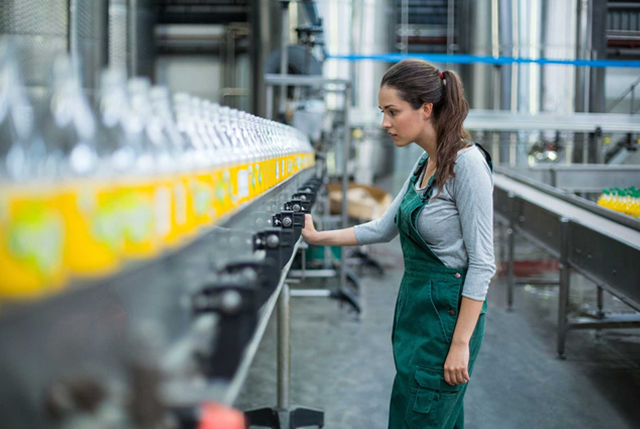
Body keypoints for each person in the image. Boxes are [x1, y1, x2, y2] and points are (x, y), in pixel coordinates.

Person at [301, 59, 495, 429]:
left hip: (447, 321)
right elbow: (383, 227)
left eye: (392, 111)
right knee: (420, 412)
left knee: (423, 416)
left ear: (426, 109)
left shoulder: (467, 165)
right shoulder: (424, 163)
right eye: (382, 112)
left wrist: (459, 345)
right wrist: (316, 236)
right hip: (418, 313)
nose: (384, 123)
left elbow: (483, 263)